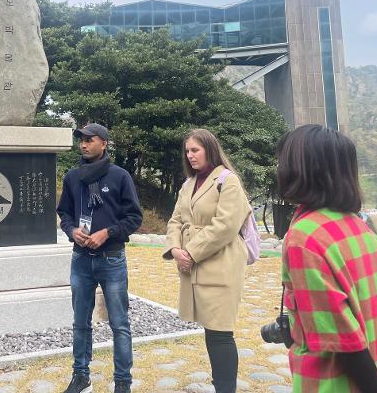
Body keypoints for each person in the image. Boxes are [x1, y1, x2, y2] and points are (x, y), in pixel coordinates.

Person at [277, 125, 377, 393]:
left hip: (332, 384)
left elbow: (343, 338)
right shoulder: (359, 227)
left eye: (283, 161)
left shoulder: (305, 238)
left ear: (301, 169)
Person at [163, 128, 252, 393]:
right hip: (194, 265)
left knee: (221, 331)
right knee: (210, 331)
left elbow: (225, 225)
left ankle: (226, 389)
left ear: (209, 149)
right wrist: (175, 249)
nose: (190, 155)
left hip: (221, 263)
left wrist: (190, 252)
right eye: (187, 151)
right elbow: (175, 220)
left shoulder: (228, 181)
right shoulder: (188, 184)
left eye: (195, 150)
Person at [56, 123, 143, 393]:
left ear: (103, 143)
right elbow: (65, 214)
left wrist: (108, 232)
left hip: (111, 258)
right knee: (80, 322)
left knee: (119, 323)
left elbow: (134, 217)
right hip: (81, 259)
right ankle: (81, 376)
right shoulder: (72, 177)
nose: (83, 144)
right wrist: (72, 231)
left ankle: (122, 382)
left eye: (90, 140)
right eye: (81, 140)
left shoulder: (120, 176)